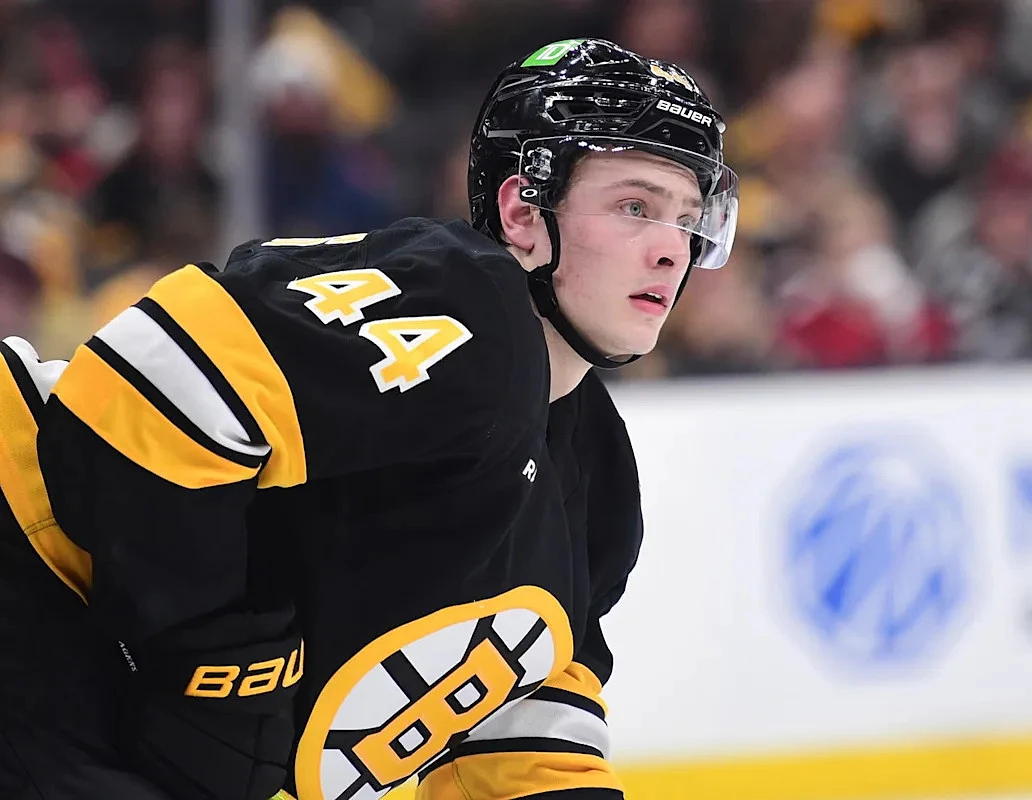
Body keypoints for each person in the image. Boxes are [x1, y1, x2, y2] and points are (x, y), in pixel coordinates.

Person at [0, 37, 738, 800]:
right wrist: (212, 655)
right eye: (634, 207)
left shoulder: (595, 485)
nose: (671, 251)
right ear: (522, 212)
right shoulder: (469, 312)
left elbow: (515, 735)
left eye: (688, 218)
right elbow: (151, 378)